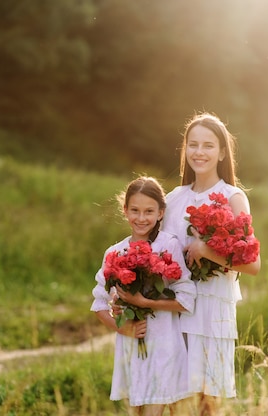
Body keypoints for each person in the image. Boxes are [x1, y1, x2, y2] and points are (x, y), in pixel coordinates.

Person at [161, 112, 262, 415]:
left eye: (208, 145)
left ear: (221, 153)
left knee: (207, 399)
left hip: (212, 308)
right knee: (173, 397)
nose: (199, 152)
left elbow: (253, 264)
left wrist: (206, 249)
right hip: (175, 306)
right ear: (185, 150)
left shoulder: (232, 198)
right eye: (193, 145)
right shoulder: (174, 198)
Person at [90, 176, 197, 416]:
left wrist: (144, 302)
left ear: (161, 213)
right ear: (125, 210)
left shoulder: (168, 245)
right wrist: (122, 328)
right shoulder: (115, 252)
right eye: (135, 210)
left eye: (149, 211)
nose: (141, 218)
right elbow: (98, 304)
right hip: (131, 347)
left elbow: (187, 298)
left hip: (164, 344)